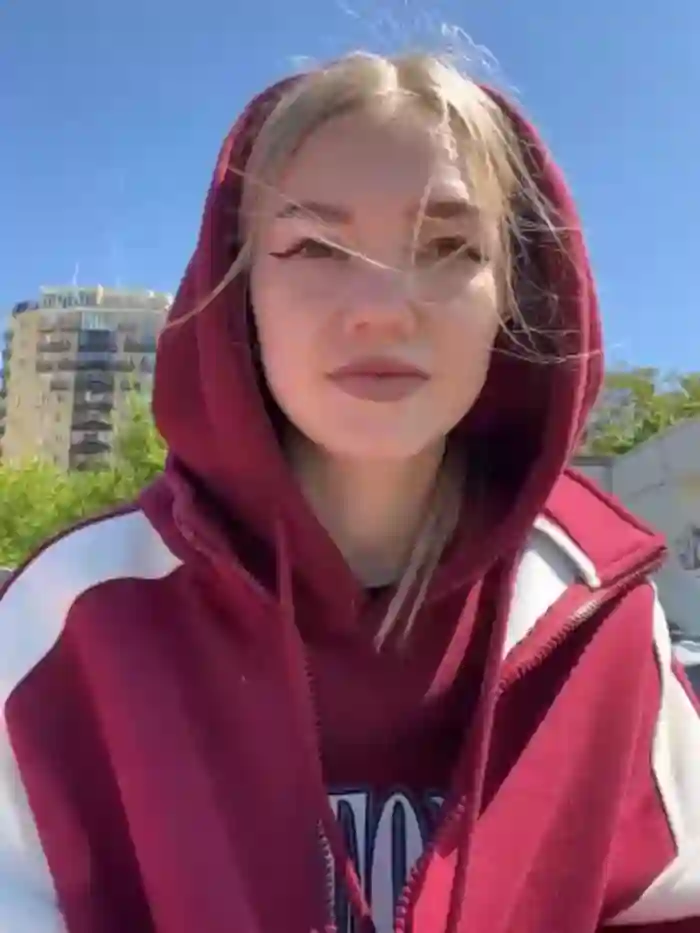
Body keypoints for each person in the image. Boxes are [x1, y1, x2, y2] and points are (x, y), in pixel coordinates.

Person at [0, 50, 698, 933]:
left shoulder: (603, 623)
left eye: (448, 247)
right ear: (237, 295)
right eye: (314, 247)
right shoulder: (71, 620)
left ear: (514, 299)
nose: (381, 307)